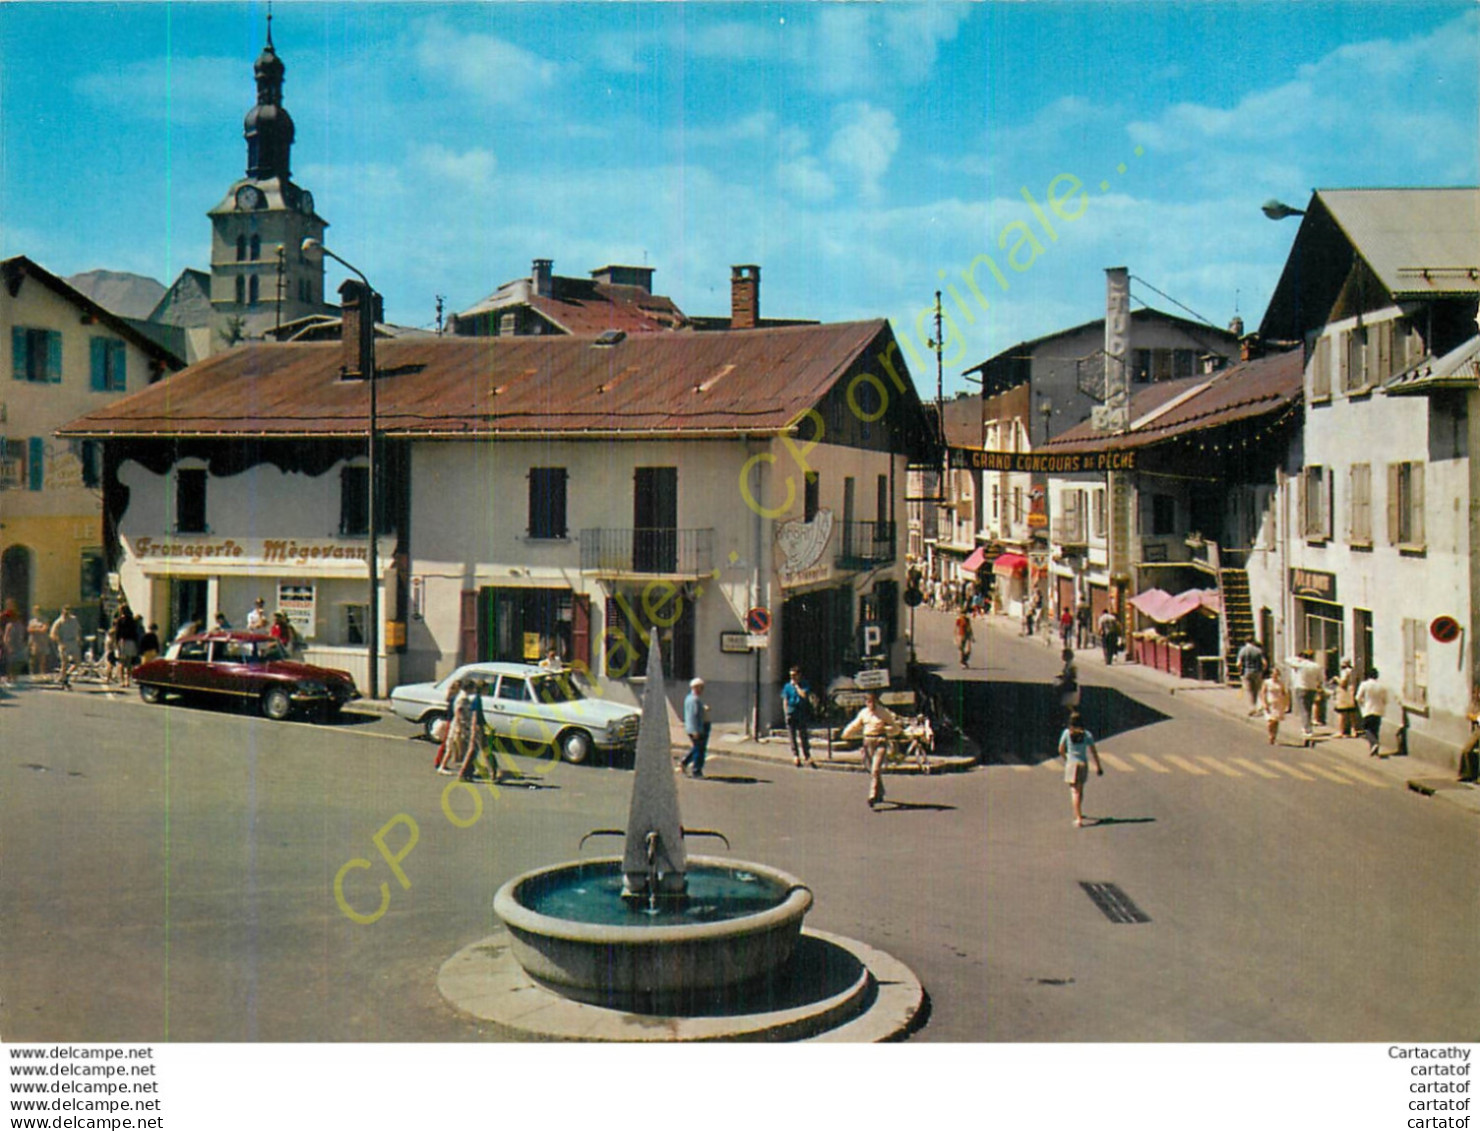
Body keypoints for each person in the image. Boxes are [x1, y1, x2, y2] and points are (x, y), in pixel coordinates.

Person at [840, 690, 902, 808]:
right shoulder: (863, 713)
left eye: (873, 702)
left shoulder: (883, 712)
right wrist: (846, 734)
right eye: (868, 702)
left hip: (880, 742)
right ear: (865, 703)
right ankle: (881, 791)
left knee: (875, 769)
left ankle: (872, 795)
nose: (871, 705)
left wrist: (886, 730)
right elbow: (855, 725)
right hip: (868, 742)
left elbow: (895, 728)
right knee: (872, 770)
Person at [1058, 711, 1104, 828]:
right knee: (1080, 790)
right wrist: (1098, 766)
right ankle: (1079, 812)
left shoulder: (1067, 733)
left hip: (1071, 764)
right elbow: (1093, 751)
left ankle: (1078, 818)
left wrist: (1066, 758)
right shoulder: (1087, 734)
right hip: (1083, 764)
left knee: (1074, 792)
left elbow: (1060, 749)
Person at [781, 667, 816, 768]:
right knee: (792, 736)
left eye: (794, 675)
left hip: (801, 711)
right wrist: (786, 713)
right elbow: (785, 700)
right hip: (791, 711)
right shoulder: (787, 686)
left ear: (799, 675)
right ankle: (795, 755)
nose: (792, 677)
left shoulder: (804, 684)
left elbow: (804, 695)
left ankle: (807, 755)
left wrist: (796, 686)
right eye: (791, 675)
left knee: (803, 735)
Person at [1285, 650, 1322, 742]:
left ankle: (1307, 730)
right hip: (1312, 688)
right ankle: (1307, 726)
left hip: (1301, 688)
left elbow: (1287, 660)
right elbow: (1320, 679)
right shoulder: (1316, 666)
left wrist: (1298, 659)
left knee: (1303, 710)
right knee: (1308, 708)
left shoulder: (1301, 664)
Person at [680, 677, 711, 778]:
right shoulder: (694, 700)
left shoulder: (690, 698)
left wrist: (703, 708)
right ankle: (696, 770)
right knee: (700, 750)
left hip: (697, 727)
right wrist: (695, 731)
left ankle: (685, 762)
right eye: (701, 688)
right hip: (698, 728)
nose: (702, 690)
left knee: (697, 748)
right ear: (696, 687)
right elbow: (693, 716)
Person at [1355, 668, 1388, 757]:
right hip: (1379, 710)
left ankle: (1374, 743)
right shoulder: (1382, 686)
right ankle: (1374, 749)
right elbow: (1385, 700)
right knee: (1375, 730)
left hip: (1368, 709)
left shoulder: (1364, 685)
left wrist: (1362, 705)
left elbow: (1358, 697)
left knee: (1367, 729)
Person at [49, 606, 81, 685]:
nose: (66, 613)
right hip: (64, 642)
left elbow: (78, 629)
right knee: (64, 662)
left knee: (77, 662)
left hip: (73, 642)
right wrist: (60, 643)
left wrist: (78, 639)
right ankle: (63, 679)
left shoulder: (74, 620)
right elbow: (53, 634)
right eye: (65, 611)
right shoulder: (59, 622)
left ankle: (67, 674)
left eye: (68, 611)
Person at [1237, 638, 1267, 715]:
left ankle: (1252, 707)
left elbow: (1238, 664)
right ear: (1253, 642)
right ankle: (1259, 706)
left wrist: (1240, 671)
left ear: (1245, 641)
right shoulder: (1258, 650)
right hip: (1257, 672)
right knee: (1258, 690)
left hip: (1247, 672)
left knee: (1249, 691)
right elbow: (1264, 663)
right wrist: (1262, 671)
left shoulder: (1242, 650)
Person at [1261, 666, 1290, 745]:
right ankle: (1270, 734)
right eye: (1274, 674)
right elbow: (1263, 693)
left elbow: (1284, 693)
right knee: (1270, 721)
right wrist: (1264, 703)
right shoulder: (1267, 682)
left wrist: (1287, 704)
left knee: (1276, 721)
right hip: (1270, 703)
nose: (1275, 675)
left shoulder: (1281, 683)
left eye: (1277, 674)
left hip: (1279, 703)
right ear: (1271, 674)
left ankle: (1274, 736)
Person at [113, 604, 139, 688]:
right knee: (129, 663)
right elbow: (135, 633)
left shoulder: (120, 620)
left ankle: (122, 681)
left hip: (123, 641)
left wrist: (116, 644)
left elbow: (117, 633)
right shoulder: (132, 620)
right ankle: (127, 680)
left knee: (121, 662)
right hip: (131, 642)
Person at [1331, 659, 1359, 737]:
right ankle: (1354, 730)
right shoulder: (1353, 671)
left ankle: (1341, 731)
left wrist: (1336, 678)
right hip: (1352, 692)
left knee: (1342, 713)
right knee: (1351, 713)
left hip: (1344, 693)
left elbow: (1343, 683)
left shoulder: (1345, 672)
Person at [2, 601, 26, 682]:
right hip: (11, 646)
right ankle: (9, 677)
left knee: (18, 662)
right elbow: (6, 637)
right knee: (10, 663)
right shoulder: (9, 625)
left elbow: (22, 635)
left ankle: (15, 677)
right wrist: (8, 646)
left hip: (19, 645)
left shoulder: (20, 625)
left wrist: (23, 644)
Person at [28, 606, 52, 676]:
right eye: (35, 611)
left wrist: (35, 629)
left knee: (43, 658)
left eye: (38, 610)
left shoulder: (45, 620)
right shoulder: (32, 621)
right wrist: (38, 629)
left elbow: (44, 629)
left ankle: (42, 673)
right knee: (33, 658)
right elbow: (29, 630)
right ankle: (32, 673)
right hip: (34, 642)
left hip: (42, 641)